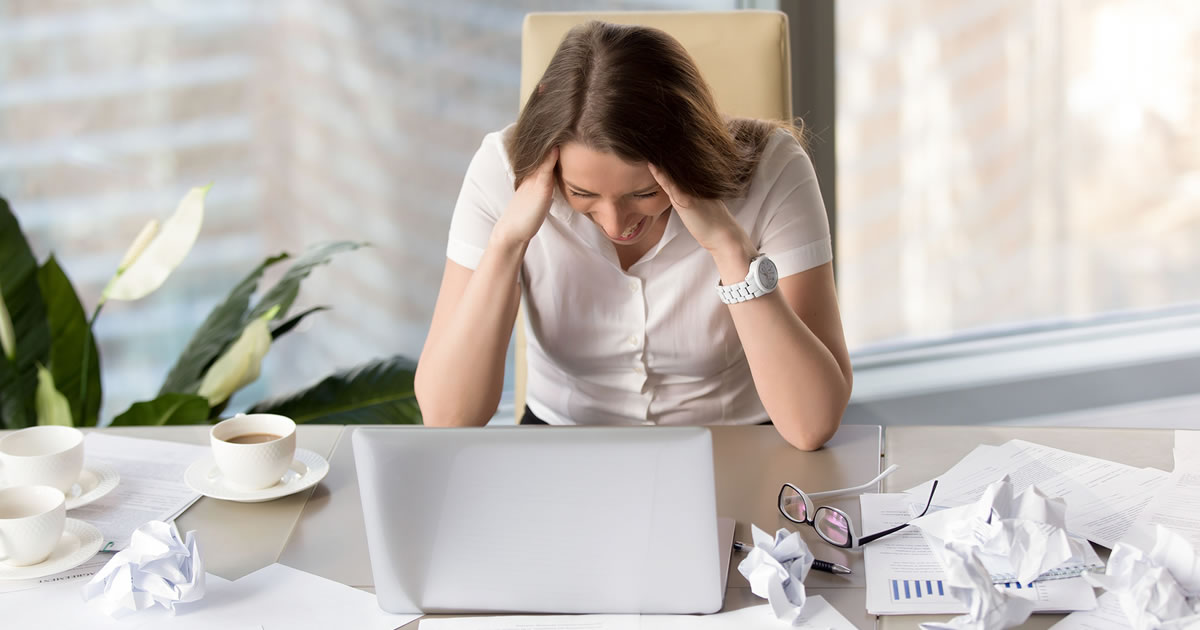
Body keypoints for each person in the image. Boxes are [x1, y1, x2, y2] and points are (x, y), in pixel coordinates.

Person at [415, 21, 852, 451]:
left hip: (736, 444)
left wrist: (729, 247)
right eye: (582, 193)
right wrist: (507, 242)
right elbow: (448, 418)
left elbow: (811, 425)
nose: (614, 223)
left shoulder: (773, 167)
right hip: (562, 445)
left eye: (644, 193)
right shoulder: (500, 171)